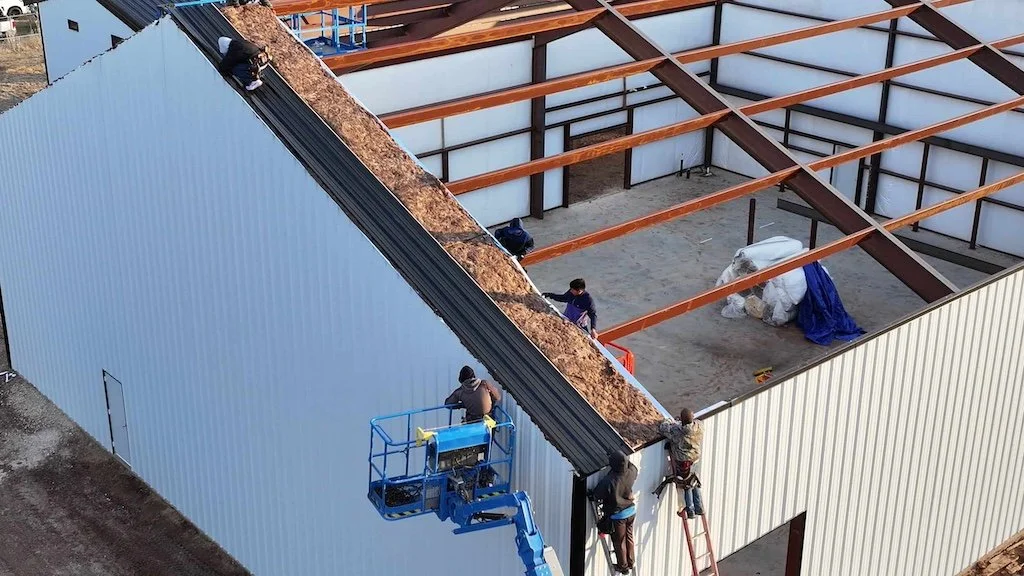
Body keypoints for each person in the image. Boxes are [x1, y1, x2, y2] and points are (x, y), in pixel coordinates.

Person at [589, 451, 638, 574]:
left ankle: (623, 567)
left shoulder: (610, 480)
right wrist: (624, 459)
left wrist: (591, 495)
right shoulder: (631, 472)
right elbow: (631, 465)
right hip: (631, 511)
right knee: (629, 538)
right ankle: (631, 562)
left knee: (619, 542)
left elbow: (596, 495)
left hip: (618, 516)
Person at [658, 408, 705, 518]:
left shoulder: (678, 432)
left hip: (684, 462)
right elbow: (693, 422)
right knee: (694, 481)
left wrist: (670, 421)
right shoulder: (699, 426)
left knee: (686, 484)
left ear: (682, 420)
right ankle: (699, 507)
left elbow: (664, 428)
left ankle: (690, 510)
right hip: (696, 458)